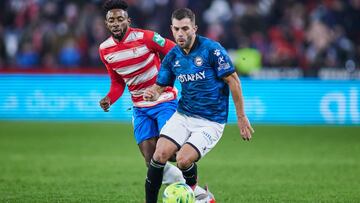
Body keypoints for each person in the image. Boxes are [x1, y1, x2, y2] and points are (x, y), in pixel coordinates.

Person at [143, 8, 254, 203]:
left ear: (194, 28)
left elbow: (234, 81)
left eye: (185, 28)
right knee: (158, 154)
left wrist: (241, 117)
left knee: (183, 159)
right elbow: (161, 85)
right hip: (183, 115)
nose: (180, 33)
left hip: (211, 121)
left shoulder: (212, 50)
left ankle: (198, 195)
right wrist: (153, 92)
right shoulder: (172, 57)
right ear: (171, 29)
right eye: (176, 29)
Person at [98, 0, 186, 190]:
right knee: (150, 160)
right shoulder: (104, 50)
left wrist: (166, 81)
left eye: (120, 19)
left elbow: (174, 51)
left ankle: (192, 186)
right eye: (111, 20)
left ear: (128, 20)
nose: (115, 23)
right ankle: (189, 189)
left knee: (171, 153)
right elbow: (118, 82)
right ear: (106, 24)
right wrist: (109, 98)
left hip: (164, 101)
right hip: (140, 108)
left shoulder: (147, 37)